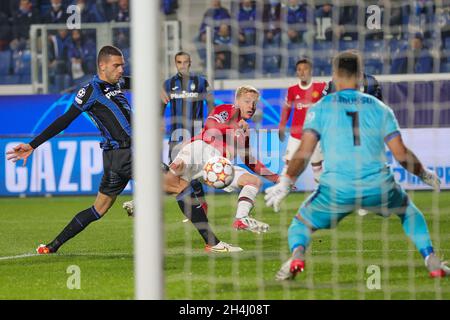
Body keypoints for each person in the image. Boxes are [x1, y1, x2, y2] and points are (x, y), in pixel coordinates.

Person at [265, 50, 449, 280]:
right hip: (378, 186)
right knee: (408, 211)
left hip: (336, 189)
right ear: (361, 75)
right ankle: (431, 259)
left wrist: (286, 182)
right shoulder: (380, 108)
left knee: (300, 224)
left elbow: (304, 151)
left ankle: (298, 255)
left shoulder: (321, 107)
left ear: (334, 75)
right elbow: (401, 154)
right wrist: (424, 174)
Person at [7, 46, 132, 254]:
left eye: (122, 66)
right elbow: (64, 121)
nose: (121, 70)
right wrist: (33, 144)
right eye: (116, 65)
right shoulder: (90, 91)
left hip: (118, 155)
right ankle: (207, 241)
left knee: (98, 209)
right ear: (102, 66)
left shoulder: (118, 82)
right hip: (123, 153)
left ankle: (52, 246)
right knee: (176, 184)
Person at [167, 85, 279, 234]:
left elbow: (249, 160)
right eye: (247, 101)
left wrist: (276, 178)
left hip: (219, 166)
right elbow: (211, 126)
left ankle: (241, 218)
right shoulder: (228, 109)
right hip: (201, 150)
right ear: (237, 101)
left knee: (253, 182)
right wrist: (234, 127)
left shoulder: (245, 131)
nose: (251, 106)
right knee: (174, 172)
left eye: (254, 103)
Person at [278, 57, 326, 184]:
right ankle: (279, 192)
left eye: (305, 69)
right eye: (299, 70)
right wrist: (282, 126)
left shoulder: (321, 87)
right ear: (296, 72)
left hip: (315, 134)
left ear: (310, 70)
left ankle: (320, 194)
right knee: (288, 164)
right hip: (296, 135)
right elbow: (286, 109)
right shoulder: (292, 90)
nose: (302, 72)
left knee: (316, 165)